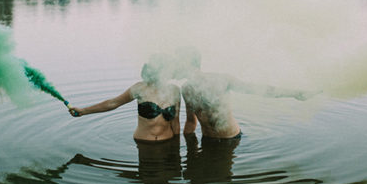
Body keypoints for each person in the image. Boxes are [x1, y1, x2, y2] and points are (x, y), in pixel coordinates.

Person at [175, 47, 319, 140]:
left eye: (178, 62)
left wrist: (294, 93)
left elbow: (259, 90)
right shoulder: (186, 89)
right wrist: (188, 154)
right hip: (207, 140)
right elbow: (191, 121)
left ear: (187, 63)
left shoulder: (222, 80)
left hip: (231, 139)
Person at [69, 56, 181, 142]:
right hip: (143, 144)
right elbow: (113, 103)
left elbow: (176, 122)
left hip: (168, 142)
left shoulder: (174, 90)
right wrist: (83, 111)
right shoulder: (139, 88)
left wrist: (177, 148)